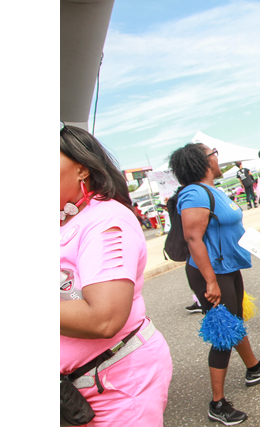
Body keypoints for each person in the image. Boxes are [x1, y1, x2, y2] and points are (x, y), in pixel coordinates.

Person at [60, 125, 173, 426]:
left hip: (116, 381)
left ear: (81, 169)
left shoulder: (105, 220)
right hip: (76, 391)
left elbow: (104, 319)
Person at [169, 142, 260, 425]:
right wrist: (210, 281)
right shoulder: (195, 193)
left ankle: (253, 368)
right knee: (223, 334)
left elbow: (228, 227)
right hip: (213, 273)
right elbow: (193, 238)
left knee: (234, 322)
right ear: (203, 162)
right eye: (214, 154)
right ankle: (217, 403)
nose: (218, 158)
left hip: (227, 267)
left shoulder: (213, 191)